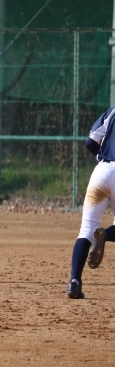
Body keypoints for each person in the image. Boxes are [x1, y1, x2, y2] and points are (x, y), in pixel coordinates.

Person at [67, 106, 115, 299]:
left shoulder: (112, 111)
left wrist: (102, 158)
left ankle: (74, 282)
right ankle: (105, 235)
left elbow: (90, 142)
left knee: (86, 230)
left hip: (101, 172)